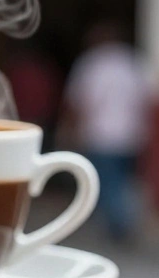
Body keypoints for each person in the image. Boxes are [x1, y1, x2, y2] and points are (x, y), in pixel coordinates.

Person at [63, 21, 151, 242]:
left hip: (100, 134)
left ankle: (121, 225)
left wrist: (71, 129)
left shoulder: (92, 63)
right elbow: (147, 98)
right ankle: (121, 220)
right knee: (121, 180)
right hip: (131, 134)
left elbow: (79, 101)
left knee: (108, 182)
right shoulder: (132, 62)